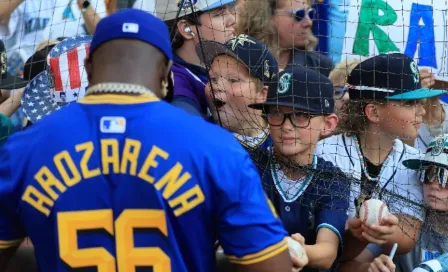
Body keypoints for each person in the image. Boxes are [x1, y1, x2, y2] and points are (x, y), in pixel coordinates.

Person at [0, 9, 294, 272]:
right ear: (167, 73)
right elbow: (272, 265)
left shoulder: (23, 148)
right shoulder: (215, 148)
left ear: (89, 68)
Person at [315, 53, 447, 266]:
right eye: (410, 103)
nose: (422, 111)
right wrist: (359, 232)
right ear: (374, 112)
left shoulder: (414, 160)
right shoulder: (326, 153)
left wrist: (382, 229)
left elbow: (406, 239)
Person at [248, 65, 350, 271]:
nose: (286, 126)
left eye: (301, 115)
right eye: (276, 113)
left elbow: (327, 252)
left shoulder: (332, 179)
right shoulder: (248, 166)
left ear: (328, 124)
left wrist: (293, 250)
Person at [366, 134, 448, 272]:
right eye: (427, 174)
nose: (434, 184)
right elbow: (352, 264)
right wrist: (370, 268)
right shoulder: (405, 223)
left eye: (444, 177)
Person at [156, 0, 236, 117]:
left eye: (229, 10)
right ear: (187, 29)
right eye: (219, 14)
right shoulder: (178, 88)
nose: (232, 21)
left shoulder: (212, 67)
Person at [198, 34, 278, 151]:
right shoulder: (200, 138)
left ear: (262, 94)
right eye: (213, 78)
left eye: (233, 80)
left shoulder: (283, 138)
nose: (217, 86)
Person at [236, 0, 334, 75]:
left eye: (310, 14)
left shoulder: (321, 66)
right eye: (299, 15)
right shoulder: (239, 60)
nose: (308, 22)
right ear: (268, 16)